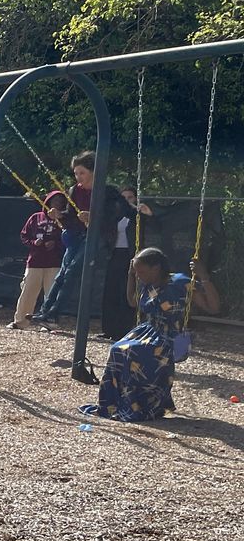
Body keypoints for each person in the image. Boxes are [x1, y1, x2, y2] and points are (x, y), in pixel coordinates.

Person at [80, 249, 220, 422]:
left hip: (171, 335)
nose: (139, 275)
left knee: (132, 352)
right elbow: (132, 301)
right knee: (117, 349)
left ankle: (141, 405)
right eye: (137, 272)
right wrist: (130, 276)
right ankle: (114, 404)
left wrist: (203, 276)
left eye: (141, 272)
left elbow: (213, 308)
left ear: (156, 268)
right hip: (148, 330)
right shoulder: (148, 284)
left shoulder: (180, 282)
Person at [33, 151, 129, 325]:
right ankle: (44, 311)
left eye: (82, 173)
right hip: (77, 235)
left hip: (98, 236)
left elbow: (117, 213)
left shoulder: (108, 192)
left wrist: (93, 217)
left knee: (72, 271)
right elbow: (71, 216)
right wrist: (59, 215)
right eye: (76, 173)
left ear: (93, 172)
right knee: (62, 273)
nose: (78, 177)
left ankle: (54, 312)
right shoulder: (74, 190)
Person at [99, 185, 154, 341]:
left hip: (130, 256)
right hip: (114, 254)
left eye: (130, 197)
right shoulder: (114, 214)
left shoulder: (137, 215)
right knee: (110, 291)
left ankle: (123, 329)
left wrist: (148, 214)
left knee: (126, 291)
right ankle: (108, 329)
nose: (127, 201)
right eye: (124, 198)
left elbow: (155, 228)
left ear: (135, 199)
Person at [7, 190, 67, 329]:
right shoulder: (36, 217)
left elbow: (69, 238)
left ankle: (49, 322)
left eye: (60, 201)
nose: (57, 204)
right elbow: (24, 235)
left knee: (51, 293)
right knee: (28, 291)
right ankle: (20, 321)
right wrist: (34, 243)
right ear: (48, 202)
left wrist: (56, 244)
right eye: (54, 201)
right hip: (35, 261)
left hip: (54, 262)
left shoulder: (65, 220)